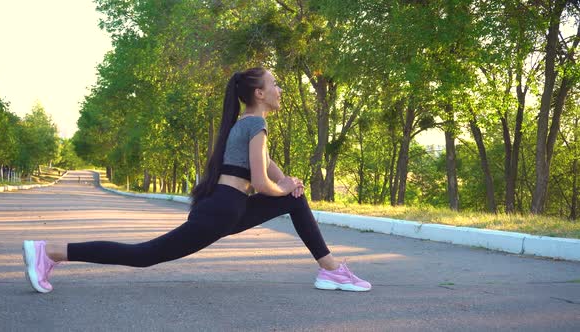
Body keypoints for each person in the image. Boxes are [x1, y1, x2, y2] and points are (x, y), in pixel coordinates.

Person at [22, 67, 371, 294]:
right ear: (259, 94)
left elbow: (269, 167)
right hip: (222, 211)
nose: (280, 89)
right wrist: (284, 187)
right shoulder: (255, 125)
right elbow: (264, 184)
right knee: (145, 255)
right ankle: (50, 251)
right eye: (275, 84)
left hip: (227, 208)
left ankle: (330, 269)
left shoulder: (248, 125)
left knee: (294, 199)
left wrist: (290, 184)